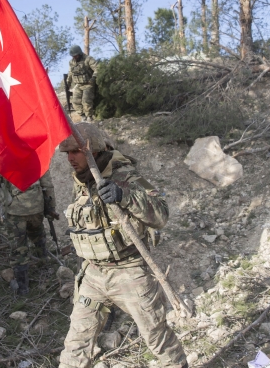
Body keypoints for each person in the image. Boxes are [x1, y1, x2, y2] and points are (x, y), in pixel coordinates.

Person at [58, 122, 187, 368]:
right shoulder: (82, 180)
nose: (70, 159)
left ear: (93, 150)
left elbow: (161, 215)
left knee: (156, 337)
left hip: (129, 272)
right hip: (94, 275)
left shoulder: (124, 176)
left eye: (75, 151)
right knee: (77, 342)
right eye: (67, 153)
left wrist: (123, 195)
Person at [0, 167, 57, 295]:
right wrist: (51, 208)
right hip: (36, 208)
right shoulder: (37, 156)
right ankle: (45, 269)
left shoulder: (3, 159)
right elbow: (48, 186)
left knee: (19, 248)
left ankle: (23, 288)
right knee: (38, 236)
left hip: (15, 211)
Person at [65, 45, 98, 122]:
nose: (74, 57)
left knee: (86, 100)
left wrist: (93, 78)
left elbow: (97, 68)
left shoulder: (88, 59)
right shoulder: (72, 62)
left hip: (88, 83)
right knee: (75, 102)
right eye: (73, 56)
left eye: (75, 56)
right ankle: (83, 116)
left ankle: (89, 117)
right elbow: (70, 73)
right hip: (78, 84)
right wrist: (68, 83)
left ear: (79, 53)